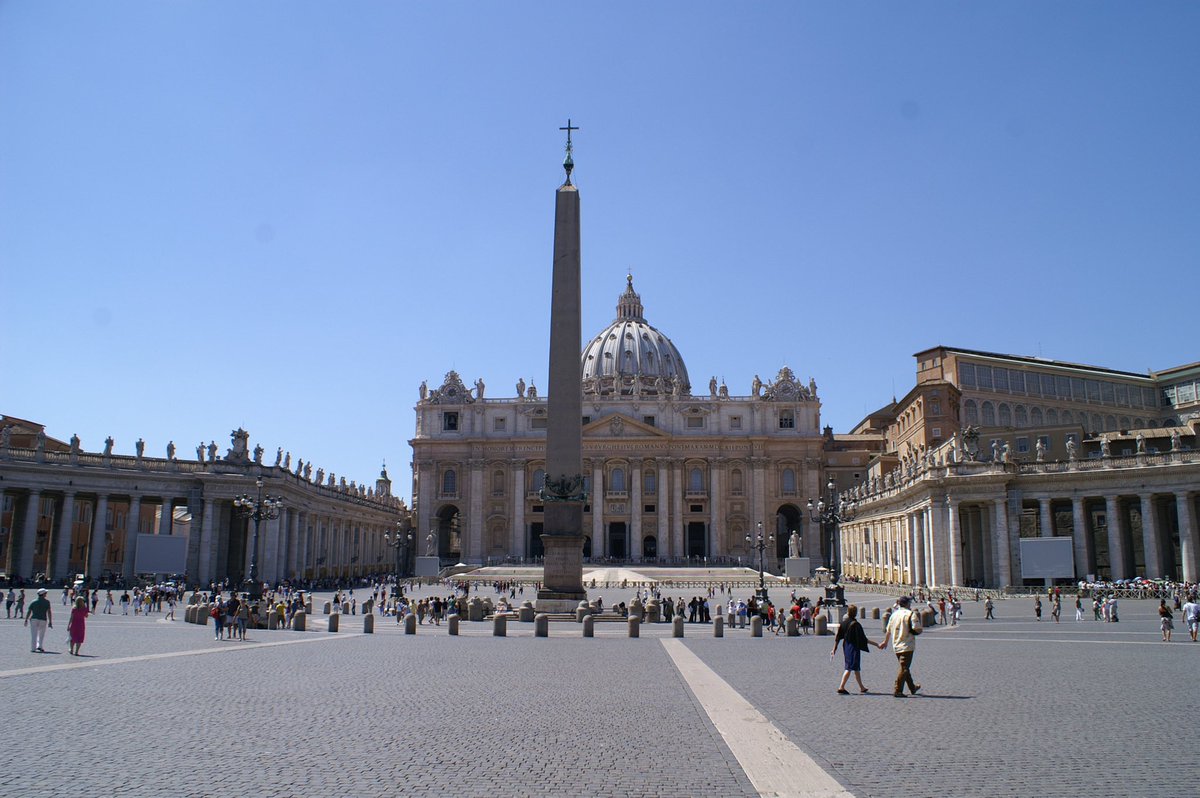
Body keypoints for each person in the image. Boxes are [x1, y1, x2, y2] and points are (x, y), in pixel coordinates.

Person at [830, 605, 884, 694]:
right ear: (855, 613)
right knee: (849, 667)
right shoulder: (856, 625)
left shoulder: (843, 623)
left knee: (856, 667)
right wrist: (877, 644)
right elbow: (864, 639)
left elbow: (838, 637)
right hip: (853, 648)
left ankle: (862, 687)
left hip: (846, 646)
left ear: (848, 612)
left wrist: (834, 649)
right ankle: (841, 687)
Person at [880, 595, 921, 697]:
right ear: (907, 604)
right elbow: (917, 628)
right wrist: (919, 630)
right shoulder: (911, 614)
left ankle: (912, 688)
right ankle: (898, 690)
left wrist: (885, 642)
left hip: (896, 645)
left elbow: (888, 630)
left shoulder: (893, 615)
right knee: (904, 668)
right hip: (907, 645)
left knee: (904, 666)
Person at [24, 587, 53, 653]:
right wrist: (50, 621)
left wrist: (26, 619)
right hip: (43, 619)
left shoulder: (33, 601)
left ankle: (33, 648)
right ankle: (40, 646)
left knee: (34, 634)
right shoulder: (47, 602)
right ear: (43, 594)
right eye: (45, 593)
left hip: (34, 619)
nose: (46, 594)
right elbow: (49, 612)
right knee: (41, 634)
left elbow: (29, 611)